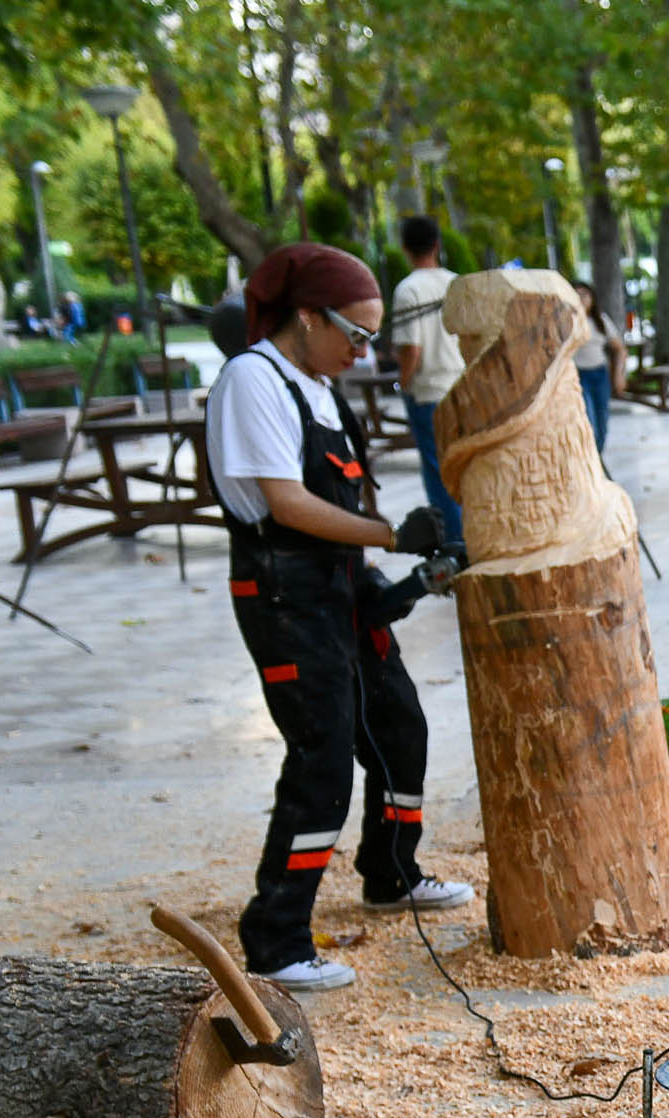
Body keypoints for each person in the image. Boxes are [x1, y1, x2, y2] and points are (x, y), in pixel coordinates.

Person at [205, 242, 471, 992]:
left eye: (370, 338)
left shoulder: (321, 385)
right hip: (283, 588)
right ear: (304, 316)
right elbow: (288, 504)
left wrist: (412, 570)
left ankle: (391, 874)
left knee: (399, 725)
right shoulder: (254, 380)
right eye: (353, 335)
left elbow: (342, 509)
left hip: (338, 578)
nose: (361, 352)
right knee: (321, 758)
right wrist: (389, 534)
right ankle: (277, 937)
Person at [390, 215, 465, 548]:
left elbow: (411, 349)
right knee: (465, 469)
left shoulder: (409, 289)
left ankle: (455, 544)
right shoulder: (458, 284)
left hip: (430, 392)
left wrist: (403, 384)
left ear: (405, 248)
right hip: (464, 389)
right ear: (437, 244)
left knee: (439, 474)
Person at [570, 280, 625, 456]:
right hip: (579, 376)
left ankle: (598, 458)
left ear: (592, 298)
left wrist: (619, 376)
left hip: (600, 374)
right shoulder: (565, 321)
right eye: (576, 294)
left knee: (602, 420)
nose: (581, 299)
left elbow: (620, 350)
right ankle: (592, 460)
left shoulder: (600, 320)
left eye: (585, 294)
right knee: (589, 419)